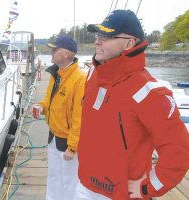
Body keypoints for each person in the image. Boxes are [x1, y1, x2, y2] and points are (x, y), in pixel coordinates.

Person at [75, 9, 189, 200]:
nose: (97, 41)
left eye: (107, 36)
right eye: (98, 35)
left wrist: (148, 187)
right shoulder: (94, 76)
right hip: (85, 185)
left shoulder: (150, 92)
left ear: (129, 43)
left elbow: (179, 151)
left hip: (120, 194)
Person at [34, 36, 86, 200]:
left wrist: (72, 147)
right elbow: (49, 99)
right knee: (54, 176)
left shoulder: (80, 79)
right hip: (53, 136)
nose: (51, 53)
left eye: (54, 50)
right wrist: (42, 107)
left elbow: (80, 117)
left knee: (69, 181)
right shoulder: (56, 74)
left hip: (68, 142)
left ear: (66, 54)